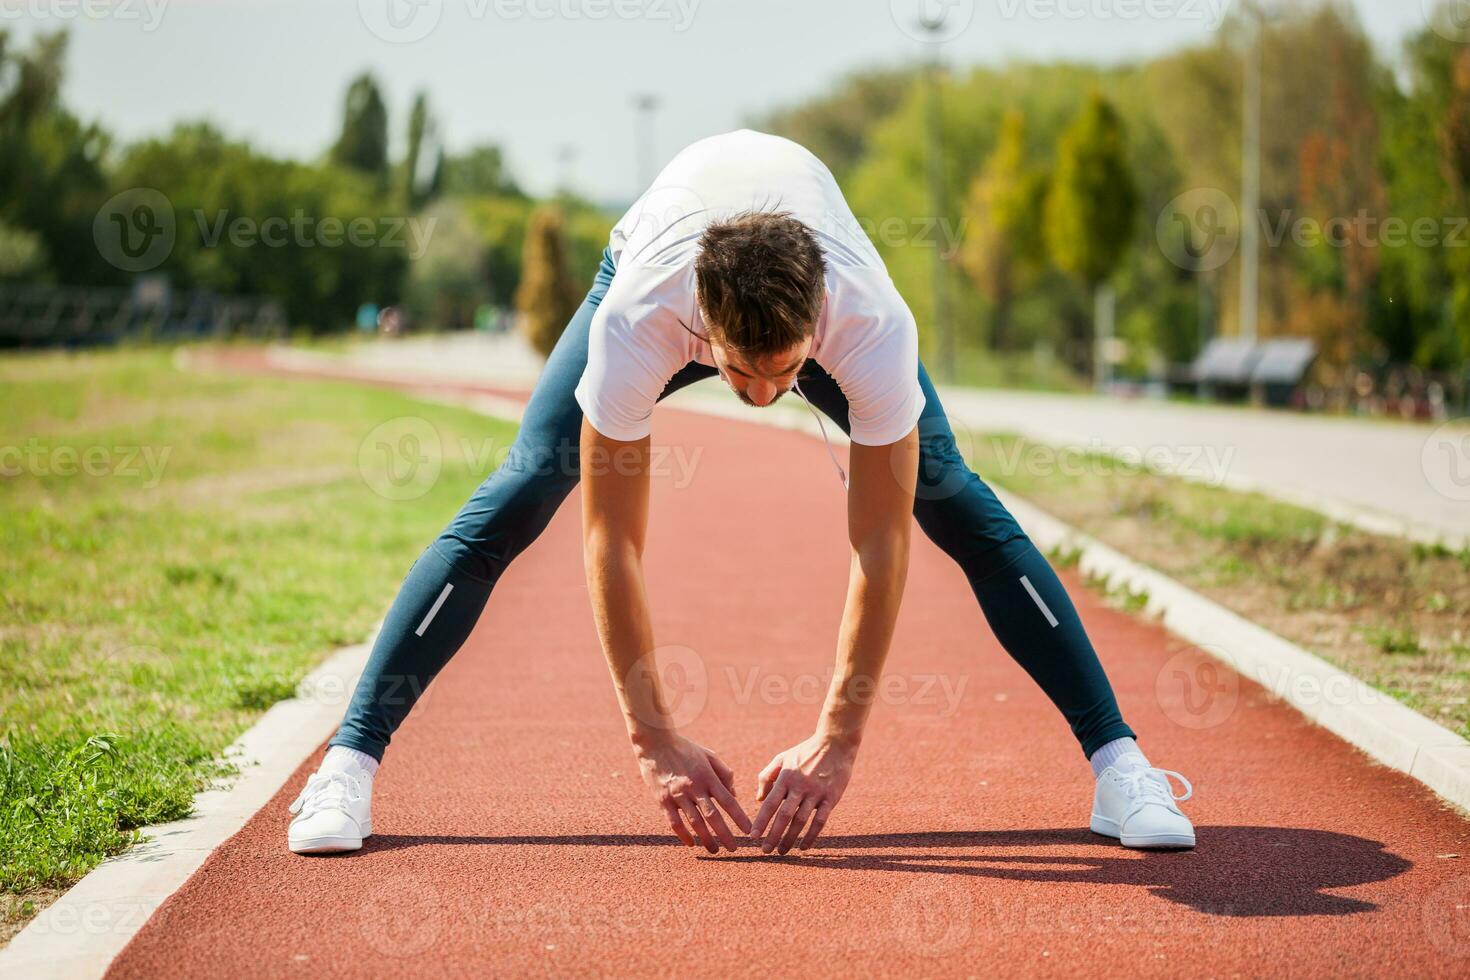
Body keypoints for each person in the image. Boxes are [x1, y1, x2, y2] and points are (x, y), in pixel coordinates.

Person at [287, 129, 1195, 857]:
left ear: (816, 328)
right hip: (656, 247)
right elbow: (613, 544)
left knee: (955, 501)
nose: (762, 395)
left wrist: (838, 741)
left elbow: (879, 547)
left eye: (785, 372)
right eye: (738, 371)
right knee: (525, 488)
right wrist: (653, 739)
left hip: (816, 259)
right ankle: (348, 764)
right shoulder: (642, 315)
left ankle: (1122, 764)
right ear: (703, 329)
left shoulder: (870, 323)